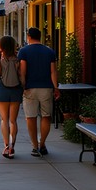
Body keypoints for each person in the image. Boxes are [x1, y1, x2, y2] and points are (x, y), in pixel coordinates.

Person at [17, 27, 60, 157]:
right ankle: (42, 144)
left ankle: (35, 146)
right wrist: (56, 88)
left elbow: (23, 72)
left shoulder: (23, 51)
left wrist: (23, 87)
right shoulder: (49, 52)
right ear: (40, 36)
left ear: (28, 36)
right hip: (46, 88)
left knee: (30, 117)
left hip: (30, 88)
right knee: (46, 116)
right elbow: (53, 71)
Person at [0, 34, 23, 158]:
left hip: (3, 90)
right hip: (16, 90)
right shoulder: (18, 59)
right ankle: (12, 146)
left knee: (4, 120)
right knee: (13, 121)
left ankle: (6, 146)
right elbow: (21, 76)